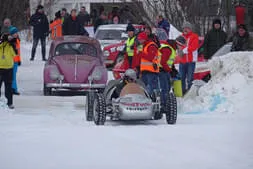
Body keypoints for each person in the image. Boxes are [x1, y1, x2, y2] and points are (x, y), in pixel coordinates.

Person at [177, 22, 199, 94]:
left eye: (187, 28)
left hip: (191, 61)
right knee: (181, 78)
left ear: (190, 29)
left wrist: (183, 51)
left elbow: (194, 47)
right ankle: (182, 92)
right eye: (184, 28)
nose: (185, 29)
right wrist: (179, 51)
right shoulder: (180, 37)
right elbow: (177, 47)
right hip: (182, 61)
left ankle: (190, 93)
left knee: (190, 79)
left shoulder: (194, 36)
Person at [139, 31, 160, 96]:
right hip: (145, 71)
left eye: (140, 39)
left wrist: (141, 54)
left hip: (151, 71)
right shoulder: (144, 46)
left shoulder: (151, 46)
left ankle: (151, 101)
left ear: (144, 39)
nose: (139, 41)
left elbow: (151, 57)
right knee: (144, 88)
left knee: (151, 89)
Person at [0, 31, 16, 109]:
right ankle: (9, 103)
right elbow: (15, 54)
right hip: (5, 68)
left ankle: (8, 103)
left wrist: (12, 44)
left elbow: (15, 54)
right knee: (8, 86)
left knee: (6, 86)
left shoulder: (7, 45)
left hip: (5, 68)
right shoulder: (6, 45)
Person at [158, 42, 176, 108]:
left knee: (167, 87)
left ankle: (165, 103)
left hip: (164, 70)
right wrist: (170, 70)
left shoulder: (167, 48)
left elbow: (169, 62)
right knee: (165, 88)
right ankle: (164, 104)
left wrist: (172, 69)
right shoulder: (168, 49)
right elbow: (163, 62)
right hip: (162, 71)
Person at [8, 27, 21, 95]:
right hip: (11, 61)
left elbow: (18, 52)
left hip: (15, 61)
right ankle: (13, 89)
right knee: (12, 76)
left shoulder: (17, 40)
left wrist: (19, 60)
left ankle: (13, 88)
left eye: (16, 33)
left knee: (13, 75)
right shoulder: (11, 41)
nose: (16, 34)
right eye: (15, 33)